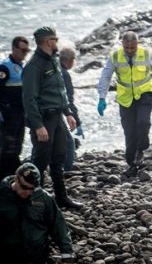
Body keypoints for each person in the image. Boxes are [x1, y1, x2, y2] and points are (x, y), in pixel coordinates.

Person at [22, 26, 82, 209]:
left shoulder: (54, 60)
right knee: (40, 160)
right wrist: (38, 125)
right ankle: (31, 199)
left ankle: (61, 198)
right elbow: (29, 99)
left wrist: (68, 113)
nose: (57, 42)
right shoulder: (34, 66)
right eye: (55, 39)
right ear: (49, 42)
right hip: (44, 119)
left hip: (57, 117)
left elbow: (60, 90)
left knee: (58, 158)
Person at [98, 32, 152, 175]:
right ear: (122, 44)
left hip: (144, 94)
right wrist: (102, 97)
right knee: (129, 132)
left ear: (138, 44)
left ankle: (142, 147)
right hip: (125, 98)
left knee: (143, 122)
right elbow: (105, 76)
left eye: (132, 48)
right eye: (127, 48)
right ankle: (132, 162)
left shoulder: (148, 54)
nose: (129, 51)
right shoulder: (115, 56)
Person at [0, 163, 75, 263]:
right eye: (24, 187)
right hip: (8, 255)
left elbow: (58, 224)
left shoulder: (44, 198)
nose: (28, 192)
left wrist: (67, 253)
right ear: (16, 178)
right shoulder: (2, 196)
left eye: (32, 189)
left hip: (37, 256)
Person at [0, 36, 30, 179]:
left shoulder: (22, 66)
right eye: (22, 50)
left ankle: (14, 175)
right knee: (8, 147)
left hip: (20, 113)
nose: (25, 53)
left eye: (27, 50)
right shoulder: (5, 67)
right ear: (13, 49)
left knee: (18, 146)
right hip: (8, 114)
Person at [59, 47, 84, 172]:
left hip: (42, 111)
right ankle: (67, 171)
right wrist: (78, 122)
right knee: (69, 143)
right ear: (70, 60)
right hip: (55, 113)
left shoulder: (51, 68)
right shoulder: (64, 74)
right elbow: (69, 100)